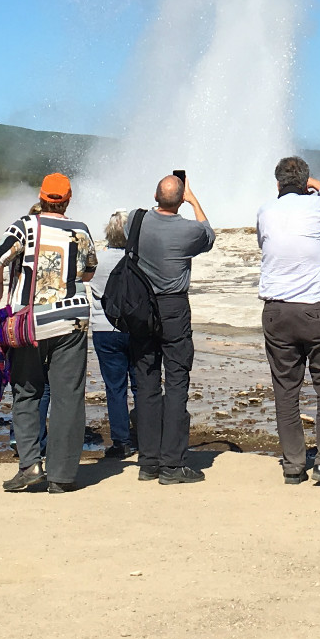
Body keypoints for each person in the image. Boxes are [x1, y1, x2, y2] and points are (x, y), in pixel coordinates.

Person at [0, 174, 97, 492]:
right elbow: (89, 271)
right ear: (68, 199)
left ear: (41, 195)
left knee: (26, 392)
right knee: (68, 397)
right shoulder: (81, 230)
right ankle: (62, 476)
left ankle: (31, 466)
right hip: (71, 320)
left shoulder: (25, 226)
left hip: (30, 324)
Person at [254, 156, 320, 486]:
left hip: (276, 310)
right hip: (315, 309)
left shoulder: (266, 211)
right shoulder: (317, 207)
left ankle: (293, 465)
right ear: (306, 182)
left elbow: (264, 243)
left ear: (277, 184)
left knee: (286, 389)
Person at [128, 174, 216, 485]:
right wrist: (193, 200)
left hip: (140, 309)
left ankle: (148, 462)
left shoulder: (135, 221)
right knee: (177, 382)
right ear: (179, 200)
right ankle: (173, 464)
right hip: (174, 309)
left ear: (154, 195)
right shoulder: (188, 229)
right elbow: (209, 235)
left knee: (147, 383)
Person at [86, 214, 138, 462]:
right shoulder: (138, 260)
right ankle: (147, 437)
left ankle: (122, 441)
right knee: (141, 385)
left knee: (115, 387)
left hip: (104, 327)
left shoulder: (98, 260)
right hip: (136, 329)